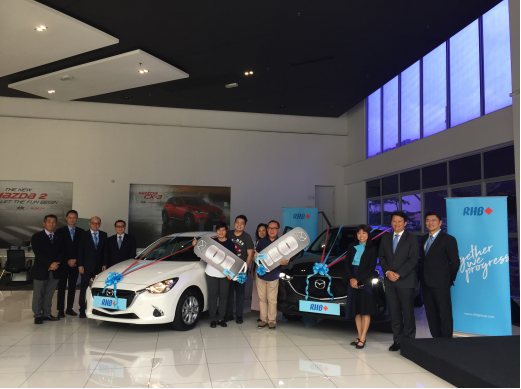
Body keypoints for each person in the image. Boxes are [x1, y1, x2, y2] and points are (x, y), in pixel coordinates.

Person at [379, 211, 419, 352]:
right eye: (394, 221)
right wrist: (388, 272)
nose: (396, 224)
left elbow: (413, 259)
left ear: (405, 223)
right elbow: (382, 257)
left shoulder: (412, 238)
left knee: (407, 312)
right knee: (394, 312)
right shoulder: (385, 238)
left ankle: (409, 342)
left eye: (400, 221)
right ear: (391, 223)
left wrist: (399, 274)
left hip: (406, 281)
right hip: (389, 281)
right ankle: (397, 340)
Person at [421, 211, 460, 338]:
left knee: (445, 313)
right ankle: (436, 340)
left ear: (440, 222)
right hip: (426, 283)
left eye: (433, 220)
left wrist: (449, 279)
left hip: (442, 282)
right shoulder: (423, 238)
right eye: (427, 220)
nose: (430, 223)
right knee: (431, 313)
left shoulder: (448, 239)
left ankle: (446, 341)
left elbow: (455, 262)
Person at [193, 221, 236, 328]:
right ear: (216, 231)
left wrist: (230, 273)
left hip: (225, 275)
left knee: (223, 297)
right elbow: (202, 252)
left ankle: (221, 318)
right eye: (219, 230)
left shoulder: (230, 244)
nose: (221, 232)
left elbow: (233, 261)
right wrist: (196, 245)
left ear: (226, 231)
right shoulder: (211, 242)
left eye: (223, 230)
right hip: (211, 273)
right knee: (212, 297)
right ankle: (213, 319)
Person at [344, 224, 378, 350]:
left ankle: (363, 337)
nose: (361, 236)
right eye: (359, 233)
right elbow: (347, 264)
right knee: (357, 310)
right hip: (352, 280)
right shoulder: (352, 247)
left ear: (368, 235)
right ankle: (358, 335)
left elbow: (370, 268)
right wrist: (352, 279)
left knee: (365, 310)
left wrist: (357, 279)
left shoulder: (372, 249)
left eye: (364, 233)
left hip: (365, 281)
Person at [254, 220, 289, 330]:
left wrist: (286, 262)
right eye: (269, 228)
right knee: (262, 298)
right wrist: (256, 259)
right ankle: (263, 319)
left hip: (274, 275)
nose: (271, 230)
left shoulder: (282, 243)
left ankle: (272, 321)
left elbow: (288, 258)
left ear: (278, 230)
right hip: (261, 275)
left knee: (272, 299)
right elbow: (257, 256)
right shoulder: (262, 242)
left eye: (274, 228)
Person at [30, 214, 64, 324]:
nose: (52, 224)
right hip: (41, 270)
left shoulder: (59, 237)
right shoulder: (37, 236)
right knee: (38, 295)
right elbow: (39, 254)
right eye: (49, 221)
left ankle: (47, 313)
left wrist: (56, 263)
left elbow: (62, 251)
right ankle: (37, 315)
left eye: (54, 222)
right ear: (44, 223)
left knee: (49, 294)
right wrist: (50, 264)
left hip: (55, 271)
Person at [224, 215, 254, 324]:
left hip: (241, 269)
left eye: (242, 223)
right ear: (234, 223)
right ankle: (229, 314)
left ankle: (239, 315)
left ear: (245, 226)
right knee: (229, 292)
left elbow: (250, 255)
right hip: (229, 268)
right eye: (237, 222)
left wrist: (245, 269)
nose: (239, 225)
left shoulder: (247, 237)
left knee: (240, 292)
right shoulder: (228, 234)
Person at [77, 216, 108, 318]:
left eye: (98, 223)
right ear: (89, 224)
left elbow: (105, 252)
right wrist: (80, 265)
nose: (95, 225)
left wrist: (104, 264)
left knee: (98, 289)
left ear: (100, 224)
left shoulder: (104, 235)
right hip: (86, 267)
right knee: (84, 288)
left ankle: (98, 309)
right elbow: (80, 251)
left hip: (99, 268)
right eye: (93, 223)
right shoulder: (83, 235)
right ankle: (82, 309)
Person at [55, 210, 84, 318]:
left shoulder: (81, 232)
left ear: (77, 218)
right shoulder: (60, 231)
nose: (72, 219)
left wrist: (75, 260)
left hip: (75, 264)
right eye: (70, 217)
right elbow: (59, 249)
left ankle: (69, 308)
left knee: (72, 287)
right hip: (63, 264)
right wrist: (68, 260)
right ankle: (60, 310)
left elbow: (81, 249)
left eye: (74, 217)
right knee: (61, 287)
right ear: (66, 218)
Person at [251, 223, 268, 315]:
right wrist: (252, 269)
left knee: (268, 292)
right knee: (259, 292)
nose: (261, 232)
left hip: (269, 268)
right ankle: (261, 313)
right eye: (259, 231)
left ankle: (268, 313)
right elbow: (254, 258)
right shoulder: (256, 242)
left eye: (263, 230)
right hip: (259, 268)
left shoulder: (270, 241)